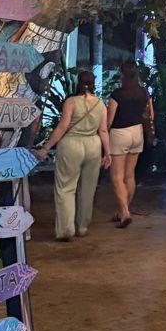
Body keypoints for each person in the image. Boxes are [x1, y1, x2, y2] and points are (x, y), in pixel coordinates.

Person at [36, 69, 110, 241]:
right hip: (93, 145)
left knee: (66, 188)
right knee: (88, 189)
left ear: (78, 83)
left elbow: (63, 127)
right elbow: (104, 130)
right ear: (93, 84)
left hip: (71, 144)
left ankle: (66, 229)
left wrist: (46, 148)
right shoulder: (100, 104)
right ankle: (82, 226)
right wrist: (108, 152)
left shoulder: (71, 102)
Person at [106, 63, 154, 229]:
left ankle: (125, 212)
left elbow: (109, 120)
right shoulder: (143, 92)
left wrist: (103, 135)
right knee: (129, 175)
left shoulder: (117, 94)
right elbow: (150, 114)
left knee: (116, 177)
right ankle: (123, 210)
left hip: (120, 133)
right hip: (137, 132)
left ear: (122, 75)